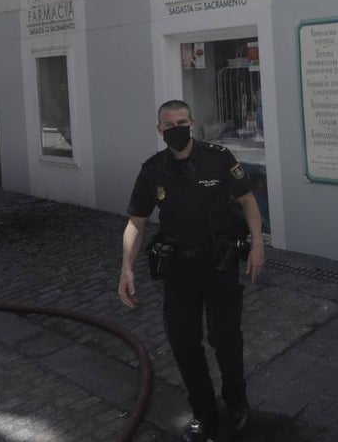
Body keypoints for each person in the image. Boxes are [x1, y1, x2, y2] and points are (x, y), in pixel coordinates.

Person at [119, 100, 265, 442]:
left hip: (220, 265)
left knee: (225, 338)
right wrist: (126, 268)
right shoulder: (153, 170)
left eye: (181, 122)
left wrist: (258, 243)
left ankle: (237, 402)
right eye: (168, 125)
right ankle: (203, 413)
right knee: (184, 344)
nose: (176, 129)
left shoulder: (218, 157)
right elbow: (136, 223)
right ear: (159, 130)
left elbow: (247, 201)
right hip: (179, 271)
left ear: (192, 122)